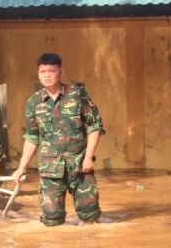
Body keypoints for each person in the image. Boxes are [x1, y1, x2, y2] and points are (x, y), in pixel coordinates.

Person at [10, 53, 105, 226]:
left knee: (90, 218)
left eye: (51, 71)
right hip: (50, 169)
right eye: (43, 71)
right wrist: (21, 168)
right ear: (38, 74)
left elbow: (94, 126)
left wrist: (89, 156)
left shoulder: (77, 96)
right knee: (52, 221)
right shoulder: (34, 103)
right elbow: (32, 137)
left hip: (80, 166)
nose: (47, 75)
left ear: (61, 72)